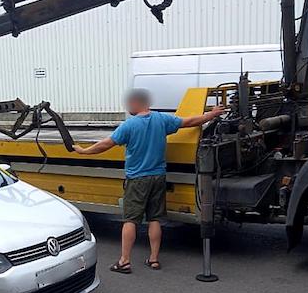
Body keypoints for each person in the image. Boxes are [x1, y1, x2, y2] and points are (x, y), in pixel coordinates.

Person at [73, 89, 225, 274]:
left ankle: (124, 261)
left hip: (137, 179)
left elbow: (106, 144)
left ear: (137, 103)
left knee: (130, 220)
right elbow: (190, 122)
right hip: (158, 177)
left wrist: (84, 151)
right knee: (155, 218)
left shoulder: (129, 126)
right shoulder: (162, 119)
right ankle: (153, 259)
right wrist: (211, 114)